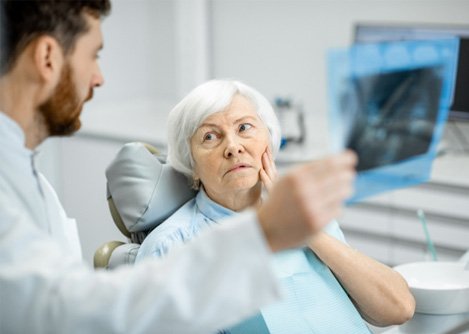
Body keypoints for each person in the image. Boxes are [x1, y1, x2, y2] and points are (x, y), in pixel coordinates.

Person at [0, 1, 359, 333]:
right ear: (48, 57)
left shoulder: (28, 177)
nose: (99, 78)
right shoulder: (173, 240)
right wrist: (262, 235)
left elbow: (66, 300)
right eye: (94, 56)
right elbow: (65, 311)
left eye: (245, 128)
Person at [136, 79, 416, 333]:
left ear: (268, 142)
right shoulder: (172, 246)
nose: (233, 147)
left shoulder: (305, 214)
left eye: (244, 127)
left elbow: (399, 308)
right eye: (210, 136)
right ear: (191, 165)